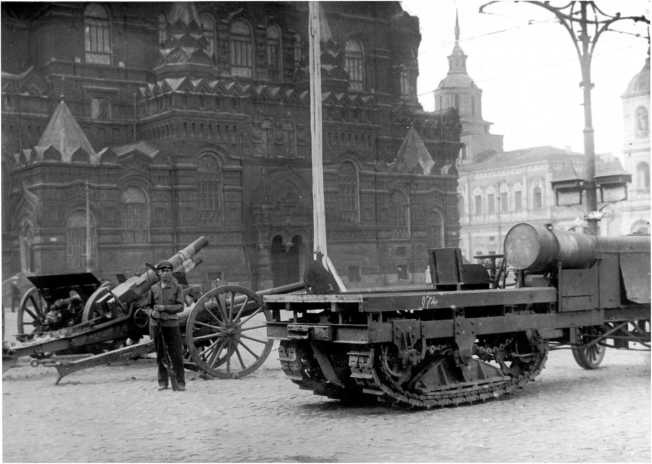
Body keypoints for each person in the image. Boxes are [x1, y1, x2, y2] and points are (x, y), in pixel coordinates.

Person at [145, 260, 186, 391]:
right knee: (161, 355)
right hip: (157, 325)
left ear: (171, 272)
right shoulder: (153, 288)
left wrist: (164, 308)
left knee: (176, 355)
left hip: (171, 325)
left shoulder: (177, 288)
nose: (166, 273)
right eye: (163, 271)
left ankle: (180, 382)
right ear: (159, 273)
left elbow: (180, 307)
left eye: (168, 271)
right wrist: (152, 314)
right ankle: (163, 382)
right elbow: (147, 307)